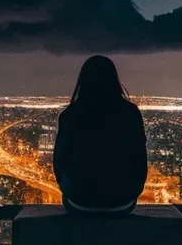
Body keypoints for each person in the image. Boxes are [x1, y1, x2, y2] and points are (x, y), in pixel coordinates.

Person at [53, 55, 147, 215]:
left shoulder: (70, 115)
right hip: (122, 202)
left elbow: (60, 163)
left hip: (79, 202)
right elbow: (140, 162)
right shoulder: (131, 113)